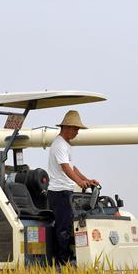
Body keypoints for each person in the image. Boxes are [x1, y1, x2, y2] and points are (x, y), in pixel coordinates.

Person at [46, 110, 100, 265]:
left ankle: (68, 258)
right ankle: (61, 263)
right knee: (63, 229)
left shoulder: (66, 145)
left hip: (66, 191)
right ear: (67, 127)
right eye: (76, 129)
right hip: (59, 192)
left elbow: (73, 168)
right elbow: (65, 168)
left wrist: (87, 180)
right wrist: (79, 182)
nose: (77, 132)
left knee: (69, 228)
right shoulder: (59, 145)